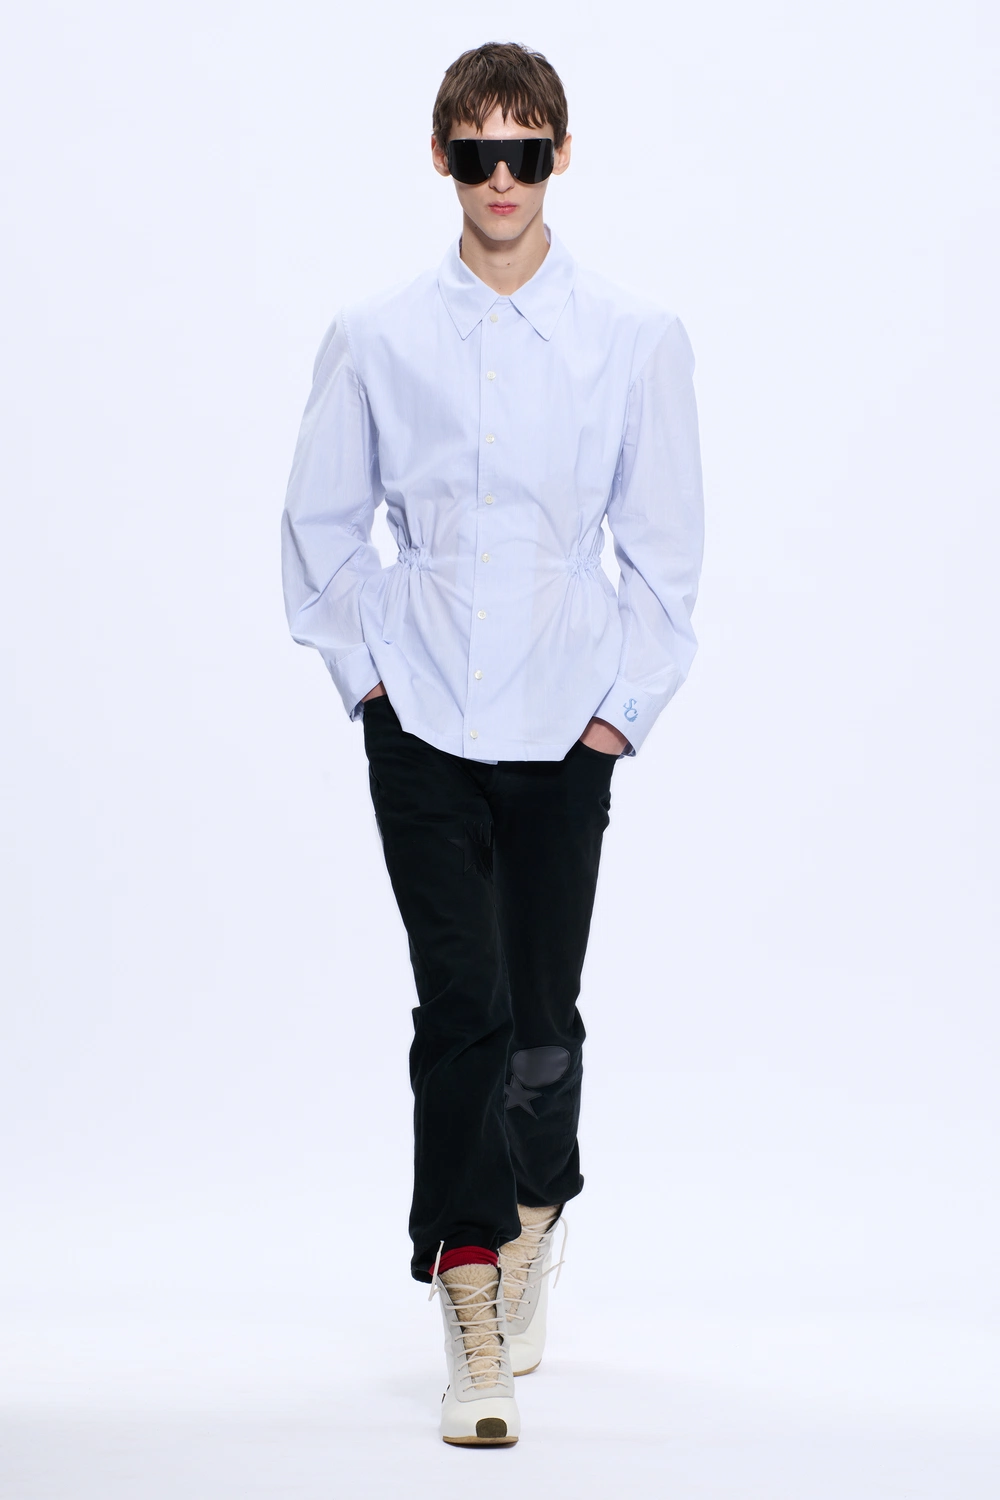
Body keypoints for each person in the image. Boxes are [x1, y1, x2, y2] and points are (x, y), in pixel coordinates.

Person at [281, 41, 704, 1446]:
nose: (502, 177)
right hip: (421, 716)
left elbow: (666, 554)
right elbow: (322, 529)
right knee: (458, 1006)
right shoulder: (377, 335)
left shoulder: (634, 337)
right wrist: (369, 684)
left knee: (539, 1017)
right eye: (478, 151)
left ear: (560, 158)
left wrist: (617, 716)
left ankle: (535, 1209)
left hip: (565, 721)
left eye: (526, 150)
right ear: (442, 159)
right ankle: (468, 1292)